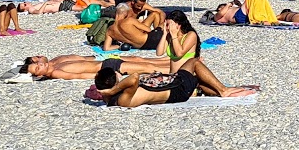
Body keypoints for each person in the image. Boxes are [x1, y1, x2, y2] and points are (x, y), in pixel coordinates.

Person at [93, 54, 257, 106]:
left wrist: (108, 91)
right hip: (177, 89)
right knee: (193, 62)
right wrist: (114, 89)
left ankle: (223, 91)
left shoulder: (114, 99)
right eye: (118, 76)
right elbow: (134, 77)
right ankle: (224, 90)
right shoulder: (122, 98)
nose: (122, 76)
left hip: (176, 90)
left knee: (199, 82)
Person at [21, 53, 171, 81]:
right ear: (39, 75)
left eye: (36, 64)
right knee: (148, 67)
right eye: (37, 68)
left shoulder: (55, 63)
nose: (39, 64)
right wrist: (108, 77)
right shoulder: (56, 72)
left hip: (106, 63)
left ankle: (175, 63)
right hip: (108, 67)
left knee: (145, 63)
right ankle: (177, 68)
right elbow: (78, 76)